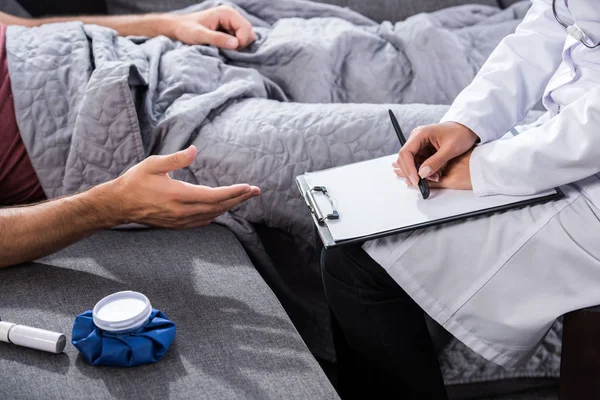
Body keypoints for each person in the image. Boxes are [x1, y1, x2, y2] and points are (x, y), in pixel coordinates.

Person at [321, 0, 600, 398]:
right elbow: (549, 24)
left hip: (586, 175)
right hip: (560, 144)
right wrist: (465, 123)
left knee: (355, 263)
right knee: (339, 219)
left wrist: (487, 168)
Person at [0, 6, 260, 268]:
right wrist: (110, 206)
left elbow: (20, 25)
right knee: (290, 149)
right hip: (110, 133)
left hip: (114, 48)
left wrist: (169, 23)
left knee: (283, 40)